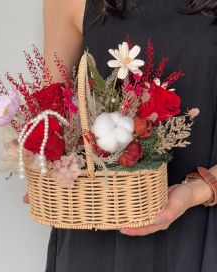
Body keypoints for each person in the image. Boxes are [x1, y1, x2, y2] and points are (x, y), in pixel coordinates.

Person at [24, 0, 217, 271]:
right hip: (98, 225)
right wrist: (43, 167)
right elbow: (52, 114)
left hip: (204, 228)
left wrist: (197, 190)